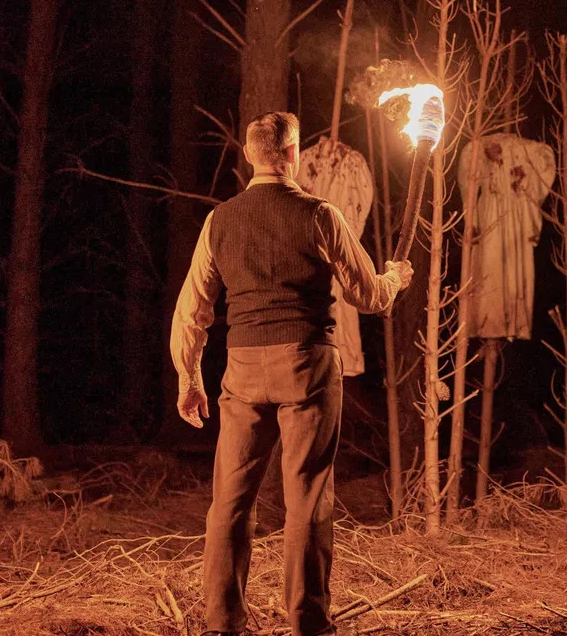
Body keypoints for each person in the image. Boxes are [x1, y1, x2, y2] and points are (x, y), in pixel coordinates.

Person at [170, 111, 413, 636]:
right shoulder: (320, 214)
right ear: (291, 153)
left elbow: (191, 310)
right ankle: (308, 622)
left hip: (242, 370)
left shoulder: (219, 220)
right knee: (307, 498)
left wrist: (189, 377)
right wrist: (395, 277)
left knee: (230, 501)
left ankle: (222, 622)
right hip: (306, 366)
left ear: (249, 154)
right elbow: (368, 295)